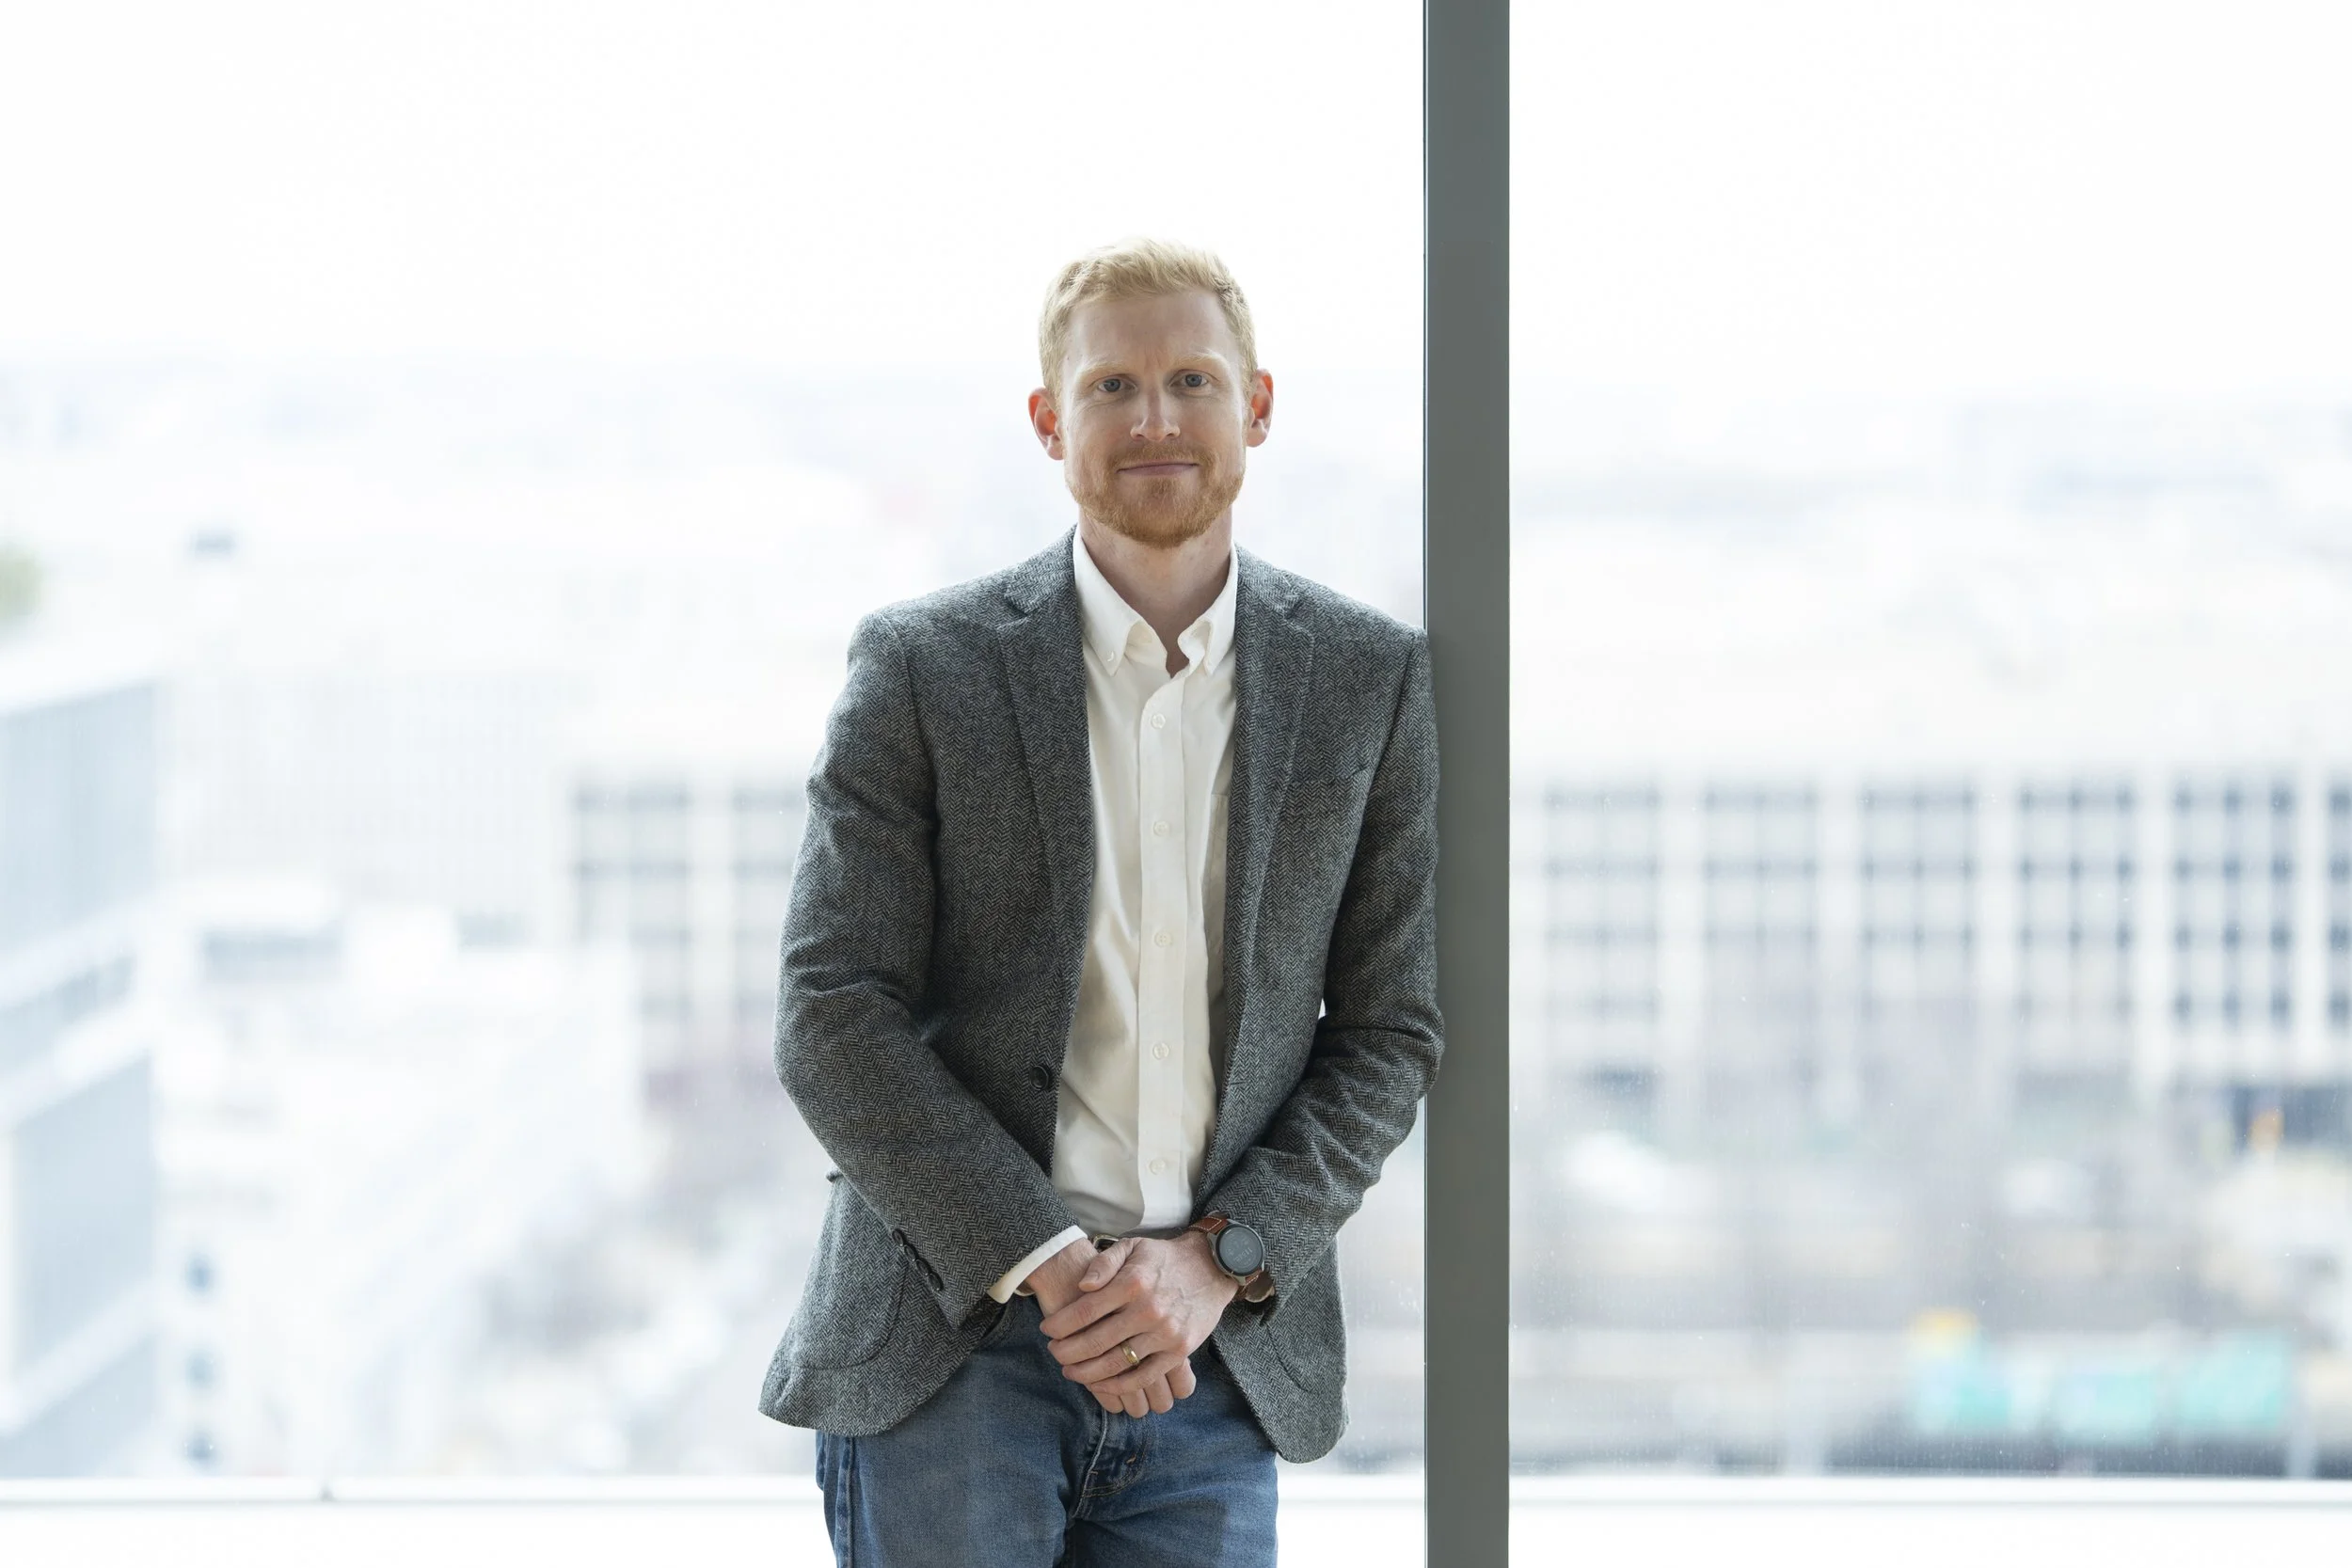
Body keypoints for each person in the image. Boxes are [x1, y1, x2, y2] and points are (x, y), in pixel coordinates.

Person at [758, 235, 1441, 1567]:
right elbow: (831, 1013)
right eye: (1111, 386)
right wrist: (1050, 1261)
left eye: (1193, 380)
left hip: (1214, 1356)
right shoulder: (923, 670)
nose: (1155, 419)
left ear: (1256, 405)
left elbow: (1389, 1031)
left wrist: (1214, 1261)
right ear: (1047, 421)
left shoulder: (1368, 682)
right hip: (951, 1348)